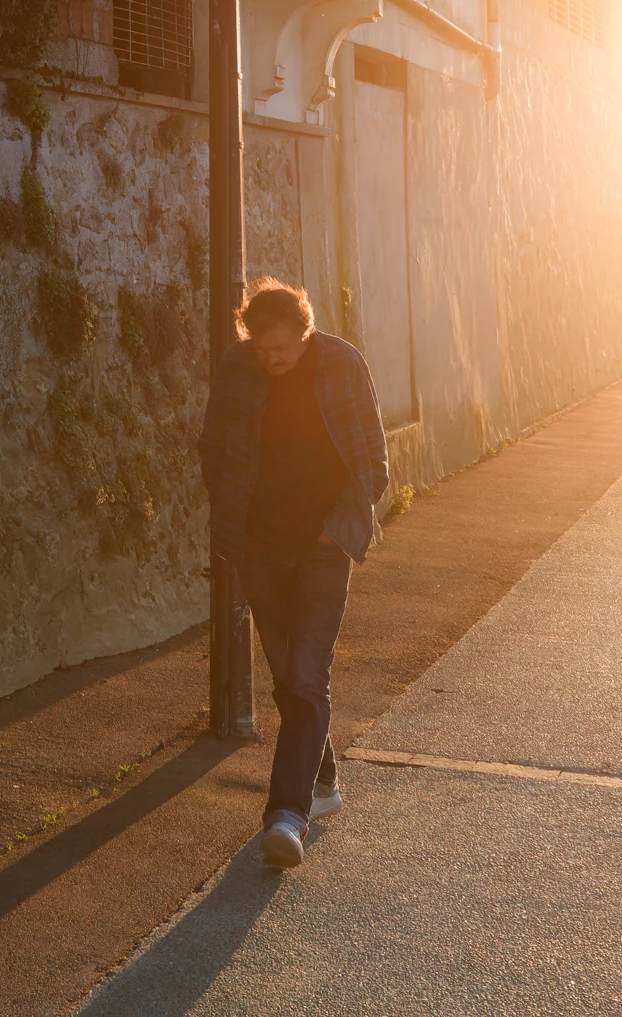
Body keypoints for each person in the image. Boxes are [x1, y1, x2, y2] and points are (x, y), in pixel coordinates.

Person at [198, 277, 389, 869]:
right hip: (259, 547)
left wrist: (335, 530)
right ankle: (322, 782)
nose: (271, 358)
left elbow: (373, 460)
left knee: (306, 676)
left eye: (281, 347)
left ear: (306, 333)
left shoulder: (342, 365)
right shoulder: (239, 368)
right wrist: (230, 515)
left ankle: (286, 815)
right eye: (261, 347)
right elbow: (213, 445)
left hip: (322, 548)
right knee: (286, 674)